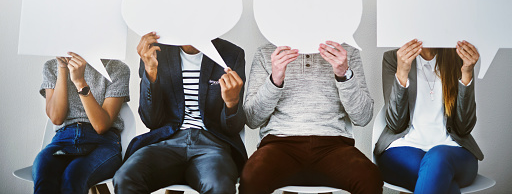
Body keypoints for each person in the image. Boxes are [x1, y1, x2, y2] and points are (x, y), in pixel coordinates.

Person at [240, 41, 383, 194]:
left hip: (333, 146)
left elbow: (363, 117)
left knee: (369, 177)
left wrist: (344, 75)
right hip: (279, 144)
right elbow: (252, 119)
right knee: (251, 177)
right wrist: (274, 80)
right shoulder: (266, 52)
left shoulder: (346, 52)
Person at [113, 32, 246, 194]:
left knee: (219, 186)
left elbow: (233, 129)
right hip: (167, 142)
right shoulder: (156, 52)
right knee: (125, 177)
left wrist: (232, 103)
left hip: (212, 146)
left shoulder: (231, 54)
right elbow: (151, 121)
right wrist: (151, 72)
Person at [374, 39, 483, 194]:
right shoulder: (393, 58)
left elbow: (464, 128)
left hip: (453, 151)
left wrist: (467, 73)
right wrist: (402, 73)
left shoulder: (459, 57)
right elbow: (395, 124)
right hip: (403, 150)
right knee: (440, 177)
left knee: (437, 159)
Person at [32, 52, 130, 194]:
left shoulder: (116, 68)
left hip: (102, 142)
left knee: (72, 177)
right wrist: (62, 69)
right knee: (44, 175)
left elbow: (101, 126)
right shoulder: (51, 67)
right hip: (63, 140)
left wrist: (80, 82)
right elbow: (56, 117)